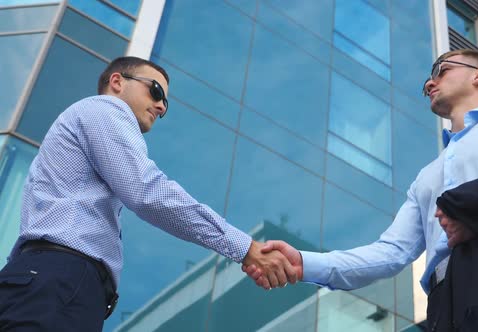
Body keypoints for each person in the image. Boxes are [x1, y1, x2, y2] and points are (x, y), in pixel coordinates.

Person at [243, 49, 478, 330]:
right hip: (448, 302)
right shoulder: (426, 177)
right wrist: (304, 263)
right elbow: (390, 253)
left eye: (441, 70)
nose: (429, 82)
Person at [0, 56, 296, 332]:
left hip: (44, 281)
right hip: (59, 281)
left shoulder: (80, 131)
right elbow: (147, 191)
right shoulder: (105, 109)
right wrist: (244, 247)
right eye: (155, 91)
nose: (162, 106)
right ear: (117, 82)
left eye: (165, 101)